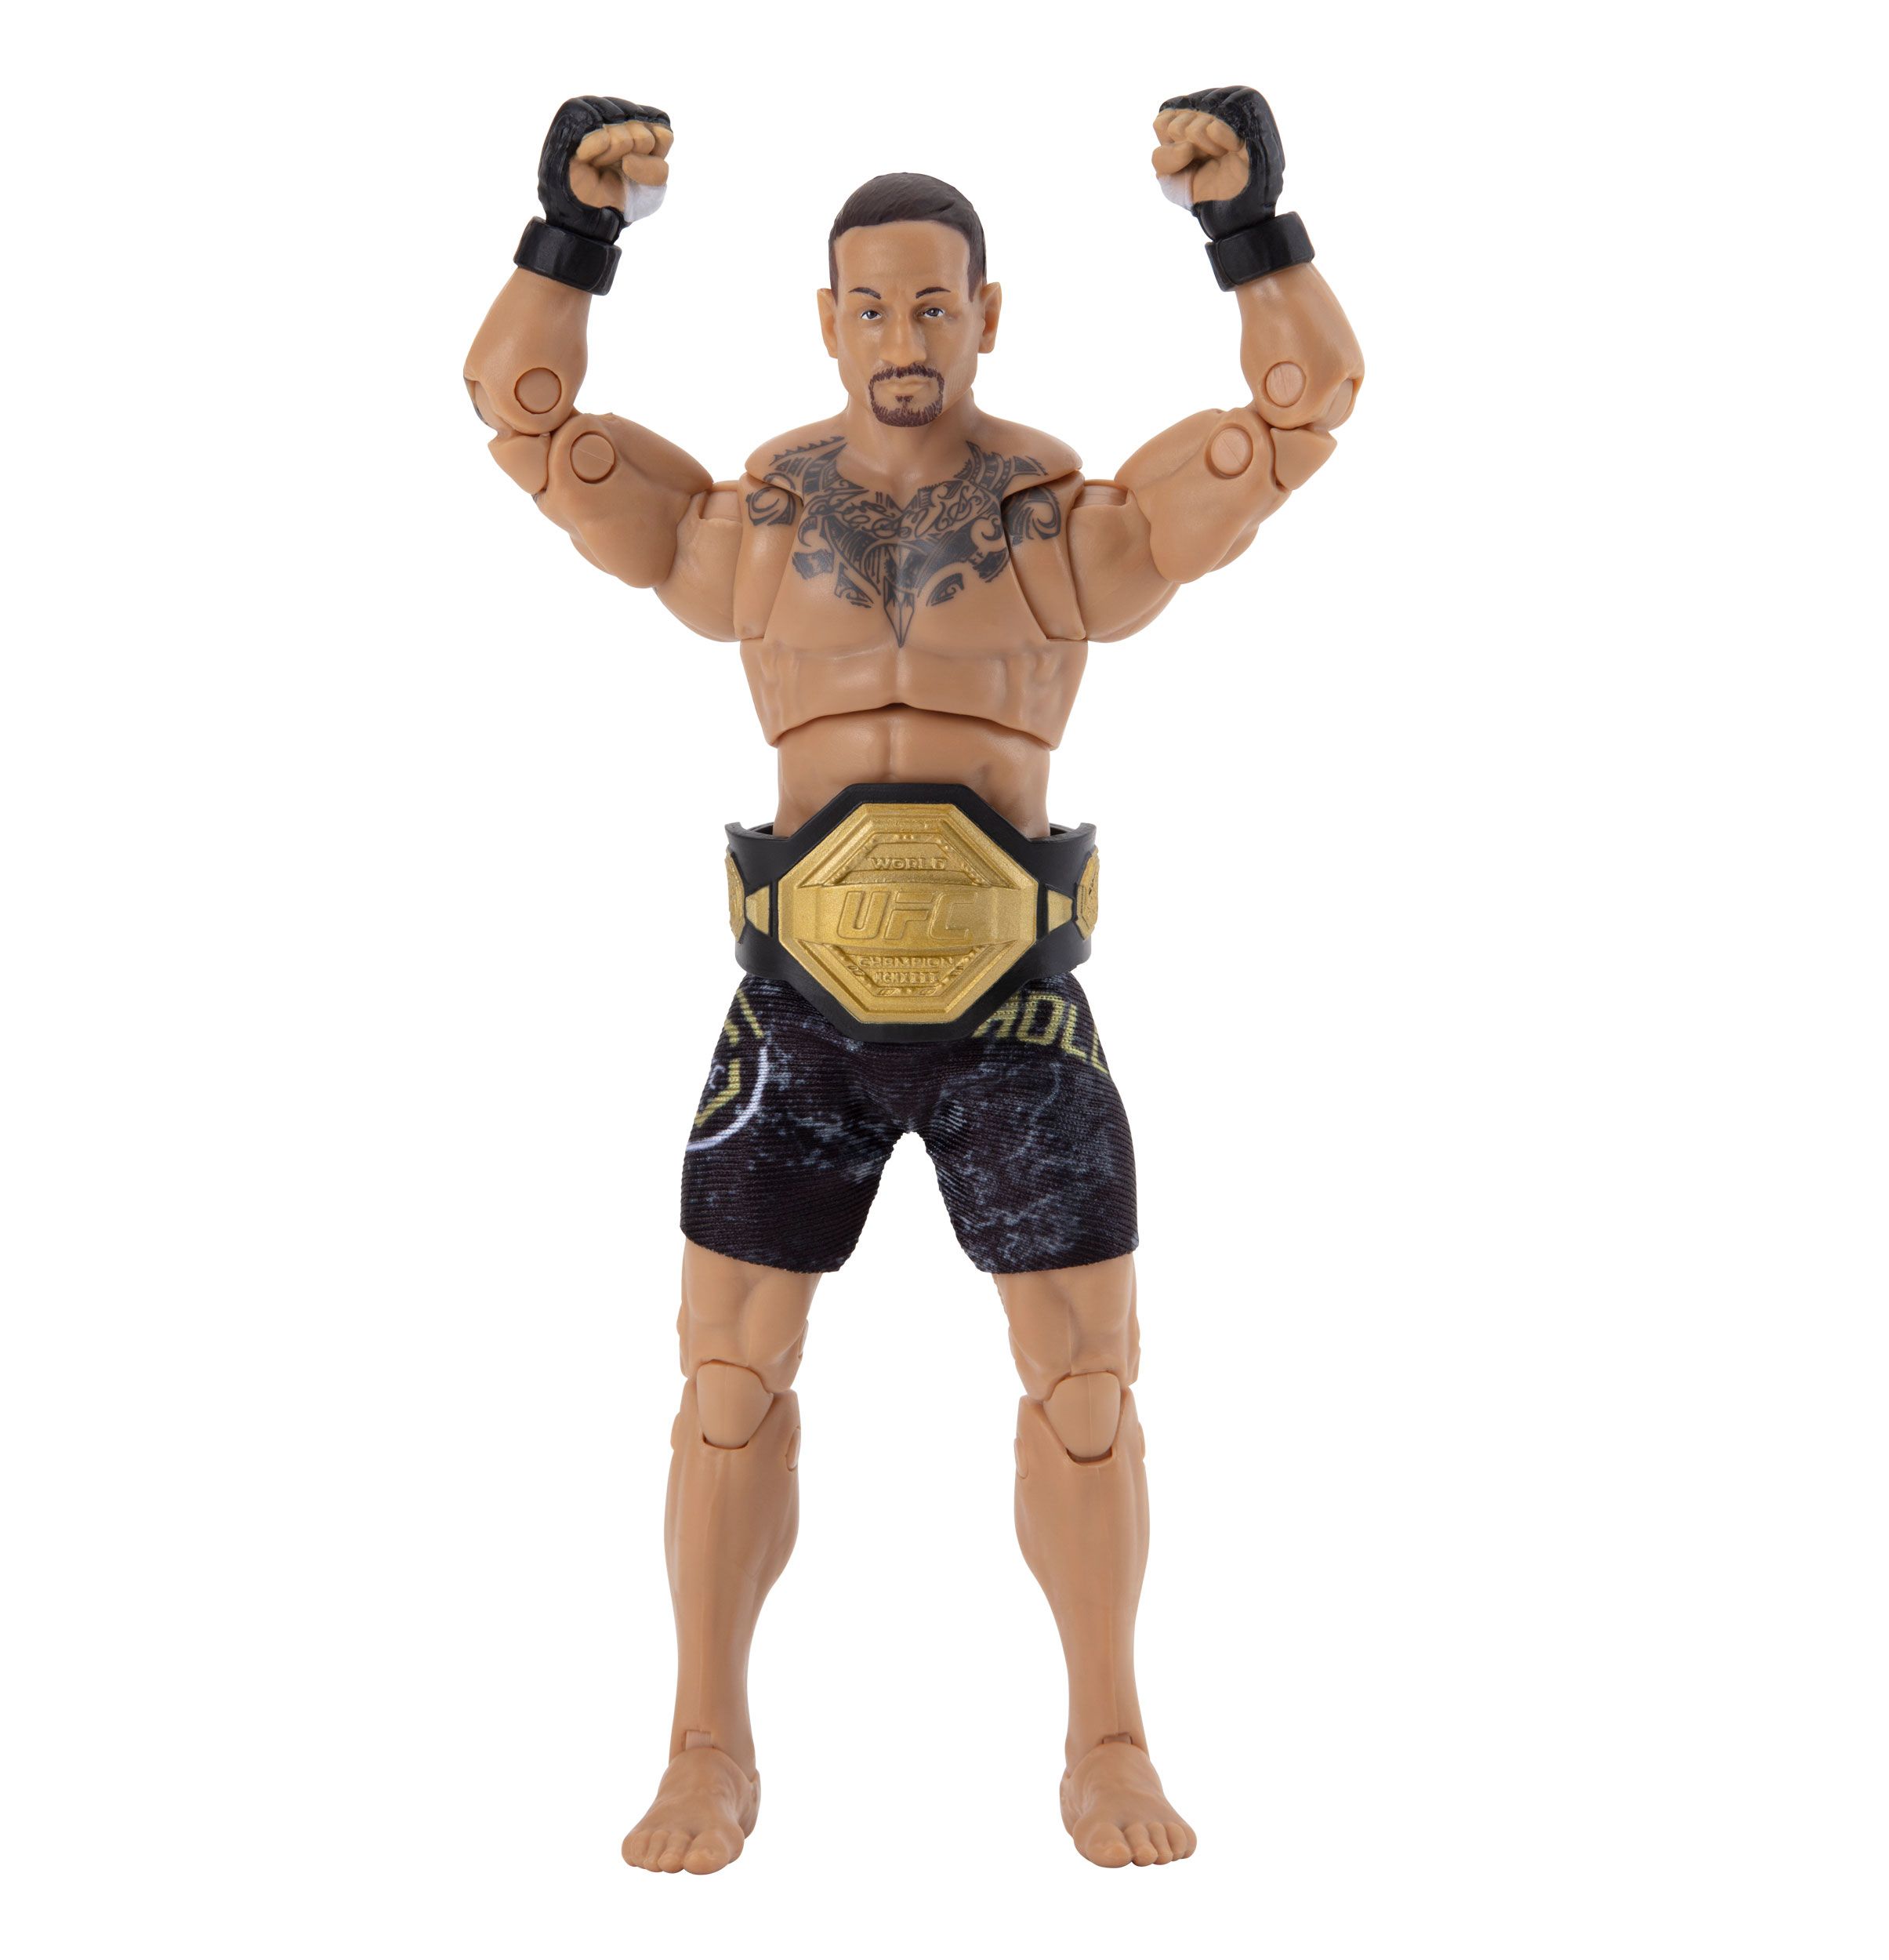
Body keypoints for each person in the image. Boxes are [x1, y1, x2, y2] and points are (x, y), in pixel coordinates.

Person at [463, 87, 1363, 1872]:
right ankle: (704, 1744)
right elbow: (523, 415)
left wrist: (1250, 226)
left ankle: (1107, 1738)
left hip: (1011, 1013)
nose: (902, 337)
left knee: (1087, 1386)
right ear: (825, 320)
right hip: (793, 1011)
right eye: (870, 306)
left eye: (933, 305)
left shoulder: (1055, 523)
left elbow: (1300, 411)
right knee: (725, 1381)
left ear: (986, 313)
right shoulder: (753, 521)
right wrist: (571, 235)